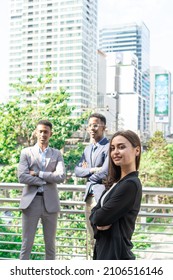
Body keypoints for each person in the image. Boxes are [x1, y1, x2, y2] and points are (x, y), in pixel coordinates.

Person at [89, 130, 142, 260]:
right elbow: (94, 216)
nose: (115, 152)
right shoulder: (116, 183)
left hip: (116, 254)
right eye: (112, 148)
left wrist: (97, 220)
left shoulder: (130, 184)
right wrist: (97, 220)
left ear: (137, 151)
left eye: (121, 147)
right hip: (105, 250)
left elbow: (98, 218)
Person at [18, 119, 66, 260]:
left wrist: (39, 174)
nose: (43, 134)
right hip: (31, 203)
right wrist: (46, 180)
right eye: (40, 131)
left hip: (50, 204)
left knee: (50, 246)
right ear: (36, 133)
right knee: (26, 244)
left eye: (46, 132)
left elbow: (61, 176)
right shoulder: (26, 152)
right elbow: (22, 177)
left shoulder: (56, 154)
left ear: (50, 134)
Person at [74, 113, 109, 247]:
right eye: (89, 125)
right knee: (92, 236)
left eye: (95, 125)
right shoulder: (87, 149)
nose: (92, 128)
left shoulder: (108, 147)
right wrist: (92, 170)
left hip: (102, 196)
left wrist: (88, 174)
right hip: (88, 197)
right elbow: (77, 171)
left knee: (102, 237)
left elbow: (105, 172)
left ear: (103, 127)